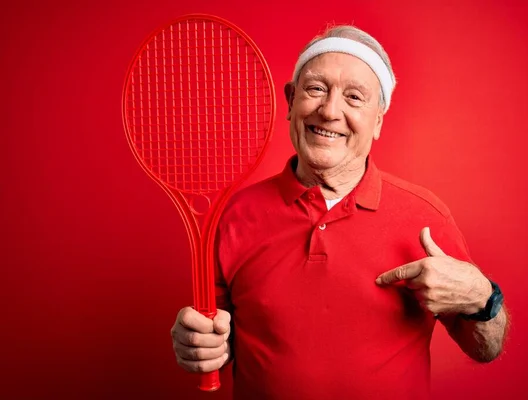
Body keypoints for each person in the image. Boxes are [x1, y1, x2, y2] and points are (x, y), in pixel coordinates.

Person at [170, 24, 509, 400]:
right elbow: (221, 337)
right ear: (290, 101)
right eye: (316, 89)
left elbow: (487, 348)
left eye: (354, 97)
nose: (330, 111)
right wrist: (200, 344)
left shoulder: (426, 218)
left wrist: (482, 296)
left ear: (378, 120)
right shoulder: (234, 214)